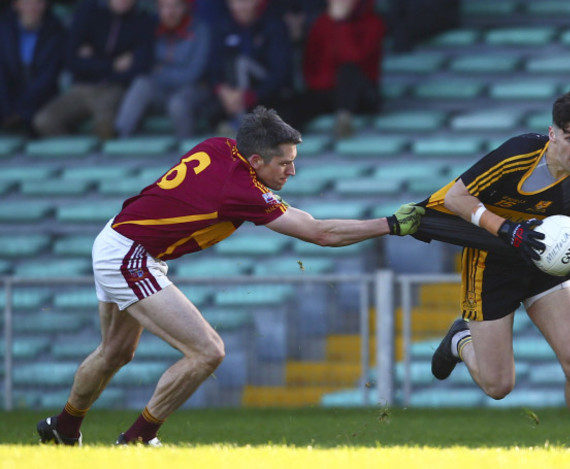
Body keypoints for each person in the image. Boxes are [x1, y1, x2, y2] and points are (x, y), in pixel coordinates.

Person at [36, 105, 424, 446]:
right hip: (130, 255)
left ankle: (64, 428)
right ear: (255, 161)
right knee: (208, 351)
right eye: (284, 162)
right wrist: (388, 224)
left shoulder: (219, 146)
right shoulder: (240, 188)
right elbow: (319, 233)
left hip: (117, 240)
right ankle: (139, 438)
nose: (292, 170)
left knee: (116, 351)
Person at [414, 89, 570, 449]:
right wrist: (507, 230)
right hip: (491, 262)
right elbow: (455, 198)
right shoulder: (519, 153)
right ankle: (460, 339)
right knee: (498, 386)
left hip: (545, 263)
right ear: (553, 133)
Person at [33, 0, 156, 139]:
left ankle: (99, 158)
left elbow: (140, 67)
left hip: (115, 88)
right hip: (81, 87)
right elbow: (71, 60)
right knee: (44, 121)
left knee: (106, 130)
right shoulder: (88, 11)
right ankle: (77, 155)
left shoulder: (143, 20)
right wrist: (112, 65)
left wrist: (92, 61)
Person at [279, 0, 385, 138]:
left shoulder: (374, 23)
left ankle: (344, 117)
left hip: (361, 94)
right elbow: (311, 63)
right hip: (327, 90)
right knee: (294, 105)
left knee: (348, 70)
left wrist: (341, 24)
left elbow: (355, 59)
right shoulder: (322, 23)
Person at [114, 0, 211, 139]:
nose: (170, 12)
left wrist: (160, 71)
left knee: (178, 104)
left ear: (186, 7)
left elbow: (193, 74)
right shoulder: (152, 29)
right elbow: (144, 67)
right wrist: (168, 72)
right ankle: (120, 137)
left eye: (175, 6)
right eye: (164, 7)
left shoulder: (201, 30)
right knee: (142, 84)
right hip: (163, 91)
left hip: (193, 90)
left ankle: (189, 151)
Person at [207, 0, 294, 135]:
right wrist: (222, 91)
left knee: (242, 63)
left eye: (246, 1)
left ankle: (240, 125)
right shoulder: (222, 26)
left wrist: (251, 96)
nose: (241, 6)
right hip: (232, 97)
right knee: (209, 110)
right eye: (236, 2)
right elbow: (213, 66)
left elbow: (281, 73)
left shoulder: (273, 25)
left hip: (268, 96)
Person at [0, 0, 66, 135]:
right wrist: (8, 107)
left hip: (41, 98)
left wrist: (20, 108)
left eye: (38, 2)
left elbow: (49, 76)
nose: (33, 7)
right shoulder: (4, 29)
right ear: (16, 4)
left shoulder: (56, 30)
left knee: (43, 119)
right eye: (27, 2)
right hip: (7, 98)